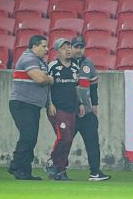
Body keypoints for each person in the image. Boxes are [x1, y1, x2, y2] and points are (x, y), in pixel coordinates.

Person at [8, 35, 53, 180]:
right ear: (34, 47)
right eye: (44, 46)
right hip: (22, 104)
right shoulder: (29, 59)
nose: (47, 49)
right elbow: (40, 79)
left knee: (31, 137)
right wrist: (50, 79)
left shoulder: (39, 61)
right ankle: (16, 166)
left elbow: (43, 84)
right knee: (28, 136)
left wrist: (48, 103)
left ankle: (25, 171)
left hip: (32, 105)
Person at [71, 36, 111, 181]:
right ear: (71, 48)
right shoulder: (65, 64)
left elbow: (94, 86)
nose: (78, 50)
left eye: (81, 47)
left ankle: (95, 172)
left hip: (87, 112)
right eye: (76, 47)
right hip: (70, 111)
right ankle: (57, 169)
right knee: (64, 142)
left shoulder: (89, 64)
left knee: (93, 142)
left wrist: (95, 105)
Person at [44, 38, 82, 180]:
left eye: (69, 47)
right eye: (63, 48)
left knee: (69, 140)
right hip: (57, 108)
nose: (67, 50)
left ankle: (60, 170)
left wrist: (80, 104)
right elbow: (46, 86)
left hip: (71, 109)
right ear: (57, 51)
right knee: (64, 137)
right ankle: (52, 163)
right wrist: (49, 104)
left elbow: (76, 88)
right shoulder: (52, 66)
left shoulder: (75, 67)